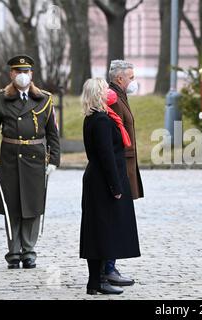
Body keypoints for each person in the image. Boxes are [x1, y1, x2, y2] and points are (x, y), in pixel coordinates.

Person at [0, 54, 60, 269]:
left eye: (26, 72)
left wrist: (54, 159)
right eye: (18, 72)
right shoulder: (0, 98)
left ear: (32, 74)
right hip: (10, 159)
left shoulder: (44, 98)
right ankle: (13, 252)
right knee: (13, 207)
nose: (22, 75)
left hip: (36, 160)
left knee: (33, 206)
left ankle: (29, 251)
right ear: (11, 74)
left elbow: (52, 132)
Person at [80, 78, 140, 295]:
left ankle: (96, 282)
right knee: (102, 232)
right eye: (105, 89)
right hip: (103, 182)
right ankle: (99, 280)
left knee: (98, 231)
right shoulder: (102, 121)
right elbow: (107, 157)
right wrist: (116, 187)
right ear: (99, 93)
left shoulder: (95, 118)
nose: (109, 91)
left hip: (97, 179)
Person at [103, 60, 144, 286]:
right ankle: (108, 267)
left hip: (124, 164)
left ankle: (110, 266)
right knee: (115, 217)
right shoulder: (113, 97)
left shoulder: (119, 95)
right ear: (119, 78)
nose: (133, 81)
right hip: (120, 166)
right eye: (131, 77)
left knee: (119, 217)